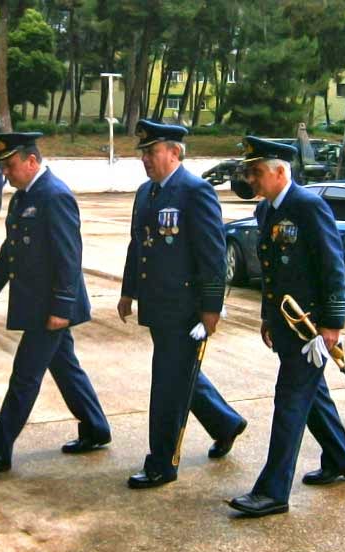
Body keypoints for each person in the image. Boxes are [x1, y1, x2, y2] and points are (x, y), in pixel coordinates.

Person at [0, 132, 111, 474]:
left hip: (51, 309)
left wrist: (61, 308)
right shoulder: (22, 197)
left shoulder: (54, 196)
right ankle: (96, 428)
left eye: (10, 166)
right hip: (37, 305)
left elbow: (69, 257)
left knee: (25, 376)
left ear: (31, 161)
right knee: (66, 369)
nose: (5, 174)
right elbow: (11, 247)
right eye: (1, 167)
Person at [228, 137, 345, 518]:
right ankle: (341, 458)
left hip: (311, 328)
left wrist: (332, 323)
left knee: (289, 401)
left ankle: (272, 491)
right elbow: (272, 273)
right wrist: (268, 316)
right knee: (312, 395)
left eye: (257, 172)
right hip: (287, 324)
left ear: (281, 171)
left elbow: (333, 266)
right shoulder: (267, 211)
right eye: (250, 172)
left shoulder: (308, 206)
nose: (251, 179)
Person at [118, 119, 247, 489]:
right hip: (157, 306)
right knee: (180, 375)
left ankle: (161, 463)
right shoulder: (146, 193)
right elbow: (137, 245)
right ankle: (225, 422)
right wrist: (128, 292)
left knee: (167, 387)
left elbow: (213, 255)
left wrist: (211, 310)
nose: (145, 158)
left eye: (152, 151)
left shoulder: (196, 191)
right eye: (143, 152)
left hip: (185, 309)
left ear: (174, 153)